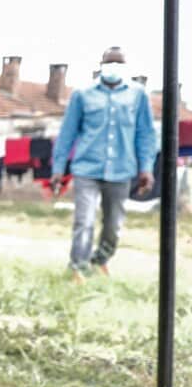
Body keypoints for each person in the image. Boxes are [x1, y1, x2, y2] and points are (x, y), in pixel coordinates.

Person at [52, 46, 156, 281]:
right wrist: (58, 169)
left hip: (121, 169)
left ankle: (100, 260)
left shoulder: (137, 95)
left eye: (119, 63)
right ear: (101, 65)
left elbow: (145, 134)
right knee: (84, 220)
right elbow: (67, 133)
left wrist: (146, 168)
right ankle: (77, 267)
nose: (114, 68)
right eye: (110, 63)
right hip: (87, 168)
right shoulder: (83, 94)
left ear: (125, 67)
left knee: (113, 225)